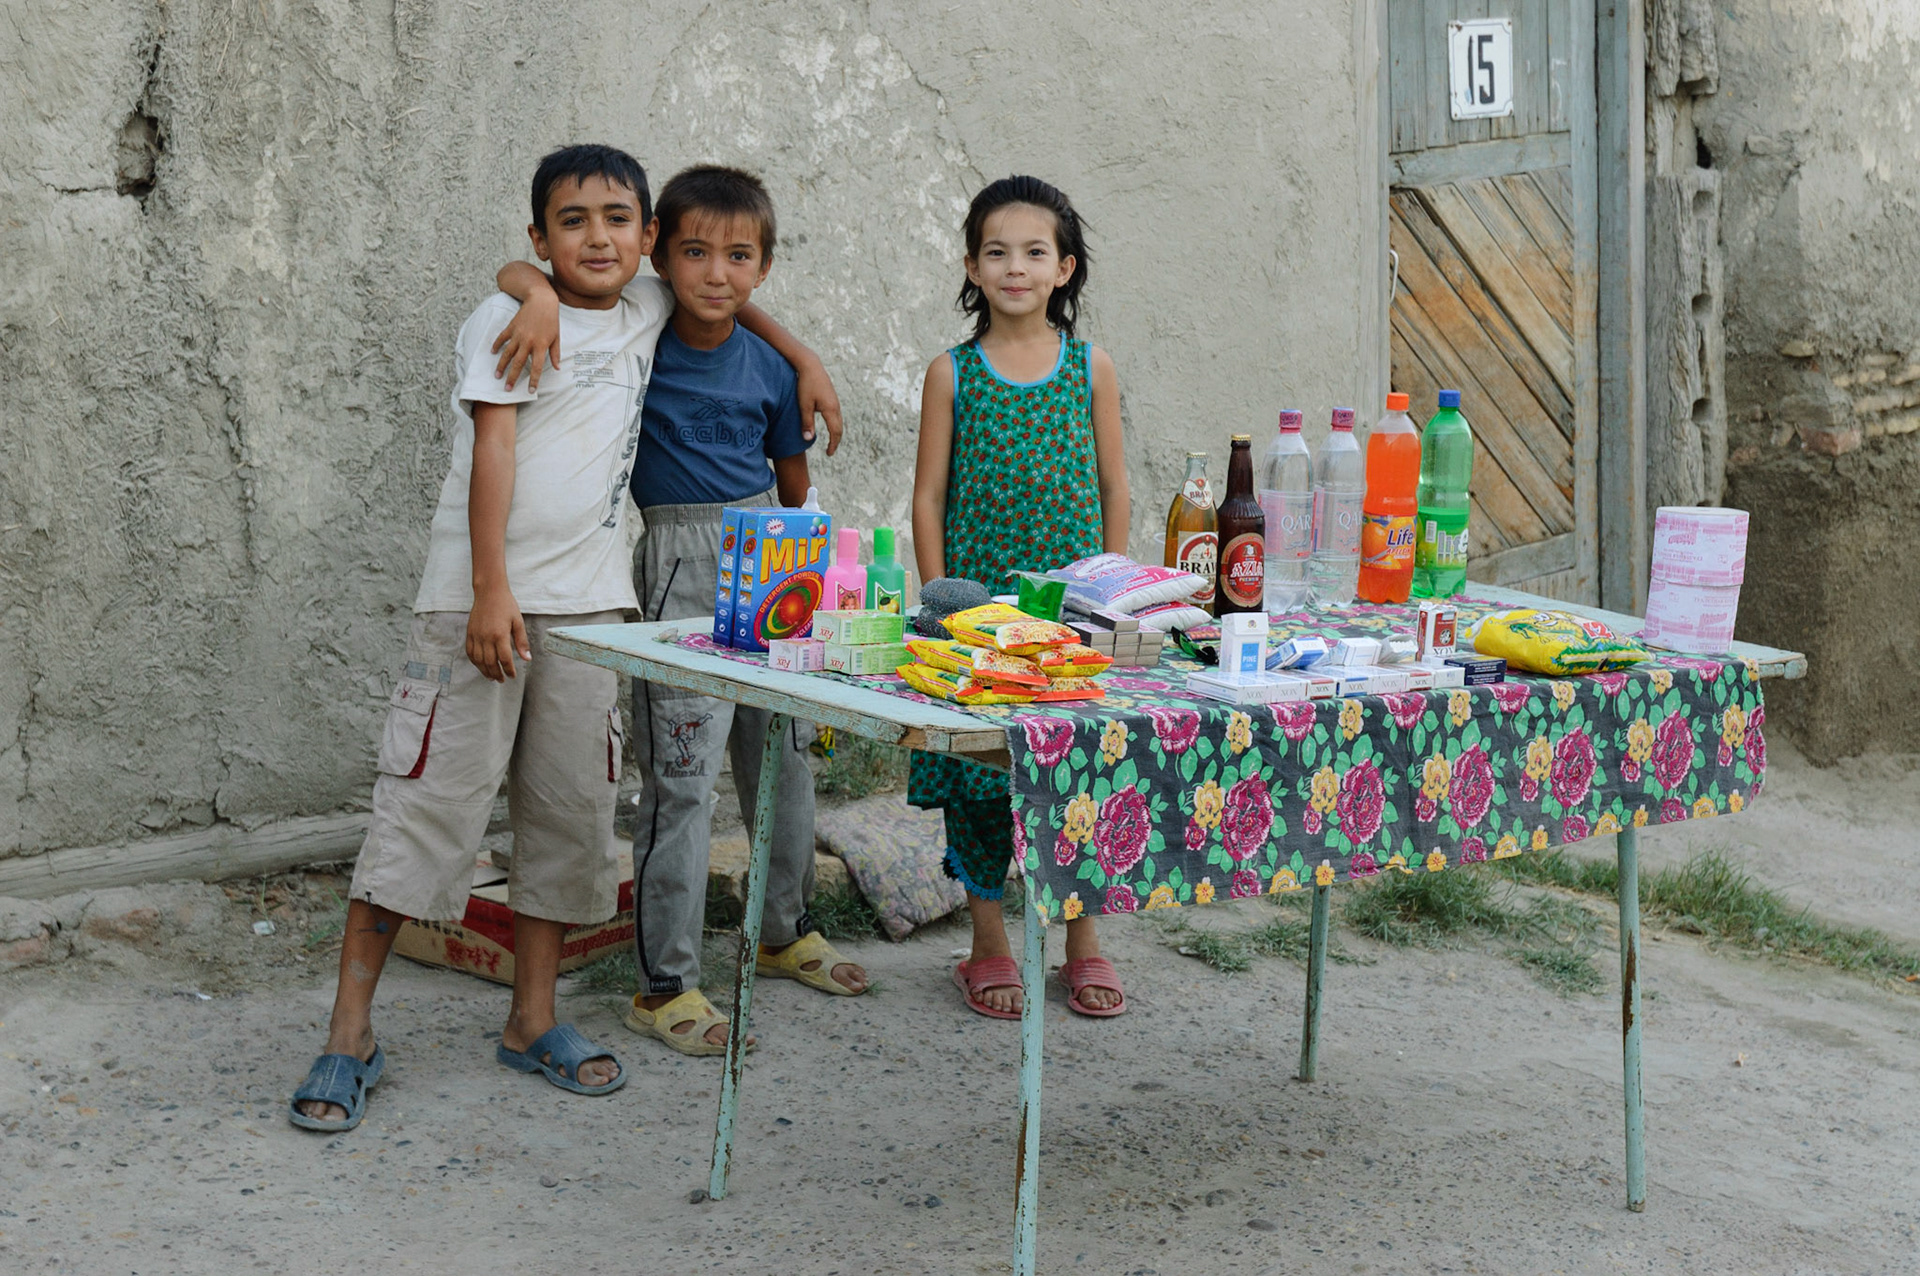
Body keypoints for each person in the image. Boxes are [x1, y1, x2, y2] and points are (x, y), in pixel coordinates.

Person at [289, 144, 669, 1130]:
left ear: (648, 237)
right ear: (539, 239)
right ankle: (348, 1035)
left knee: (569, 817)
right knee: (424, 808)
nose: (598, 236)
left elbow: (726, 287)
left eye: (618, 218)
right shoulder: (503, 317)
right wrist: (489, 592)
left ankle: (531, 1019)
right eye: (572, 222)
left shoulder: (647, 311)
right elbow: (495, 450)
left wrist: (800, 356)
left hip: (587, 611)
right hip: (478, 604)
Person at [500, 165, 869, 1059]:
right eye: (694, 252)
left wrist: (806, 362)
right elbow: (526, 276)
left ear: (763, 267)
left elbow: (794, 489)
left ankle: (780, 931)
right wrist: (530, 291)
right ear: (659, 248)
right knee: (682, 780)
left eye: (739, 257)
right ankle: (664, 981)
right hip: (677, 570)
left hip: (775, 563)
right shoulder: (641, 333)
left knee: (783, 760)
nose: (716, 274)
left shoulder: (774, 367)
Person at [909, 176, 1132, 1019]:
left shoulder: (1091, 367)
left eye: (1034, 252)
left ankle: (1084, 940)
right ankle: (989, 945)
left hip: (1072, 616)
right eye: (996, 251)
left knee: (1083, 769)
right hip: (976, 618)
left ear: (1064, 268)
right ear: (972, 264)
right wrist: (942, 604)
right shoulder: (952, 373)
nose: (1015, 267)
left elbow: (1114, 487)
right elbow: (928, 497)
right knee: (979, 779)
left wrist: (1111, 594)